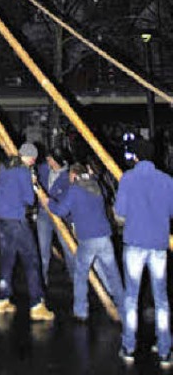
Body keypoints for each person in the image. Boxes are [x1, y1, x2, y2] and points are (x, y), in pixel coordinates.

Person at [114, 138, 173, 366]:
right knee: (161, 300)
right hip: (158, 245)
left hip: (134, 244)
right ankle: (165, 350)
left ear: (136, 157)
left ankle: (129, 347)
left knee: (131, 298)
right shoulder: (167, 180)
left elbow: (120, 211)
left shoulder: (128, 179)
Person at [49, 162, 124, 323]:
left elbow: (61, 211)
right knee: (113, 275)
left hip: (88, 238)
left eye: (70, 176)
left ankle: (81, 311)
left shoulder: (75, 190)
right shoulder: (96, 186)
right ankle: (124, 307)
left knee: (81, 274)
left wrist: (49, 203)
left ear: (74, 174)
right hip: (105, 237)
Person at [0, 141, 54, 321]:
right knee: (32, 259)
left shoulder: (6, 166)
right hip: (15, 219)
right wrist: (33, 184)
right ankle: (36, 304)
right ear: (30, 157)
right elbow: (29, 199)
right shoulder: (24, 171)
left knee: (8, 258)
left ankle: (2, 299)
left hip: (0, 218)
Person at [36, 147, 75, 284]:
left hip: (61, 216)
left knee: (68, 248)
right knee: (43, 249)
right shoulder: (44, 169)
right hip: (44, 214)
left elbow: (66, 202)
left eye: (50, 159)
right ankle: (42, 282)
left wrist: (50, 202)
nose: (48, 160)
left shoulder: (68, 177)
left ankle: (74, 278)